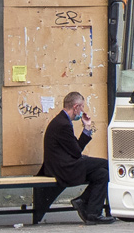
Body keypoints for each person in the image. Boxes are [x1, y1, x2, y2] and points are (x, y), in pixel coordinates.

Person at [40, 92, 114, 224]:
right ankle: (85, 204)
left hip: (66, 164)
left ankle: (91, 211)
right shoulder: (63, 124)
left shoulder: (62, 121)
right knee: (107, 165)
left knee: (102, 174)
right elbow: (76, 152)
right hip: (63, 168)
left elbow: (75, 149)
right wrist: (86, 130)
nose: (83, 111)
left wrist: (86, 127)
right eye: (82, 107)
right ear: (76, 107)